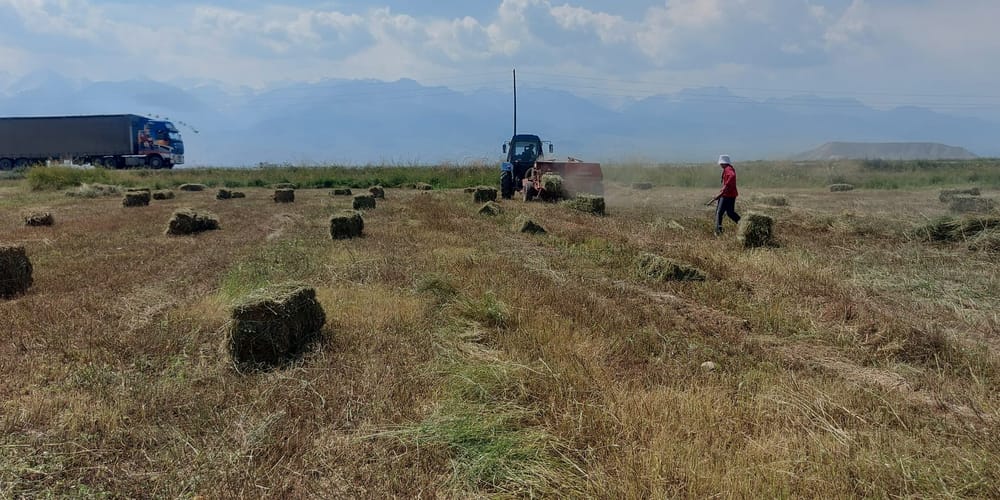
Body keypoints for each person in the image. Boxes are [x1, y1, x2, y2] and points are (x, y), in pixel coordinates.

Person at [707, 154, 741, 235]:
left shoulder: (728, 170)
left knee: (719, 212)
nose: (720, 165)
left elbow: (732, 177)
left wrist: (723, 190)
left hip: (727, 195)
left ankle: (718, 232)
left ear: (724, 163)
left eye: (721, 163)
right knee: (730, 213)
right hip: (730, 194)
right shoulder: (728, 168)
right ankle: (743, 224)